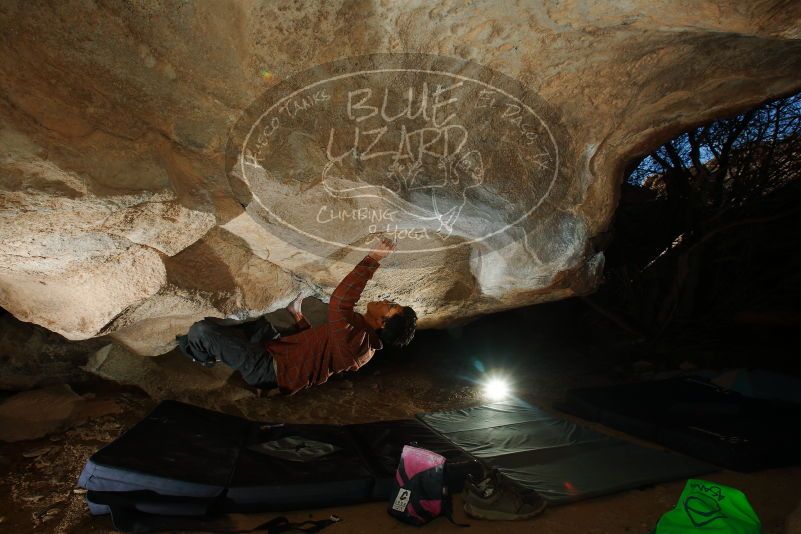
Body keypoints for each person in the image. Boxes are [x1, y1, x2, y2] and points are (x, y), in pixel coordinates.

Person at [177, 238, 417, 395]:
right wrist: (298, 315)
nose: (385, 301)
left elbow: (339, 302)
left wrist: (373, 259)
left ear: (382, 323)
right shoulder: (360, 334)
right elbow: (320, 348)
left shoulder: (359, 343)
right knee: (258, 324)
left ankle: (201, 356)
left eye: (390, 306)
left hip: (270, 369)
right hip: (280, 352)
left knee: (200, 331)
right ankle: (223, 350)